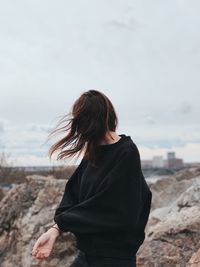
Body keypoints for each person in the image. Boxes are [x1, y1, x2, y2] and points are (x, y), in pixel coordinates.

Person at [31, 89, 152, 267]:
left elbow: (109, 207)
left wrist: (64, 222)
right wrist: (55, 230)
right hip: (86, 256)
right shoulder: (93, 152)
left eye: (80, 121)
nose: (78, 129)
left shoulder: (126, 152)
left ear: (93, 120)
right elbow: (72, 193)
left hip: (114, 260)